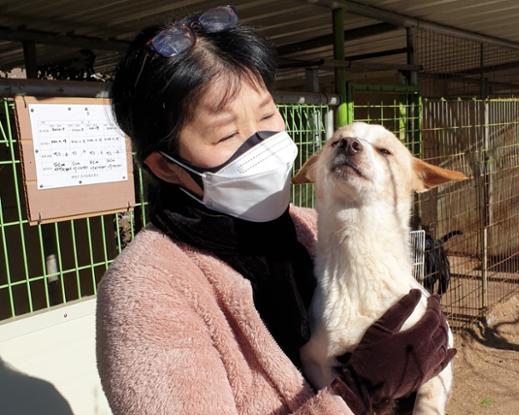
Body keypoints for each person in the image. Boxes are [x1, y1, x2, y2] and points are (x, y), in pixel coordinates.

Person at [96, 6, 456, 415]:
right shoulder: (147, 291)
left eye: (268, 114)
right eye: (228, 133)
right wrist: (354, 395)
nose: (260, 142)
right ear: (165, 166)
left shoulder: (311, 228)